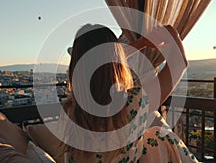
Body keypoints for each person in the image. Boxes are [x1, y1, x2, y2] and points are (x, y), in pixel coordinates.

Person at [59, 24, 198, 163]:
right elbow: (179, 63)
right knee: (158, 135)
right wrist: (170, 31)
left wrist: (141, 43)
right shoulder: (131, 104)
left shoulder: (70, 110)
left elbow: (99, 63)